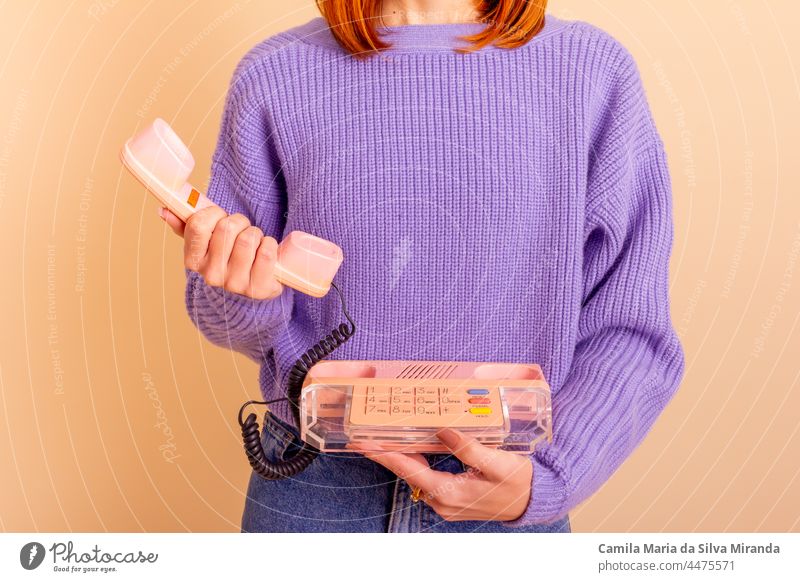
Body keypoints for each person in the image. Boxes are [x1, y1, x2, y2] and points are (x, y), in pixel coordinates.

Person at [160, 0, 685, 532]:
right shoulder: (273, 75)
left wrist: (550, 478)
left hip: (506, 487)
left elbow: (631, 326)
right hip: (315, 487)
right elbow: (228, 319)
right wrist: (243, 292)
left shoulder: (593, 73)